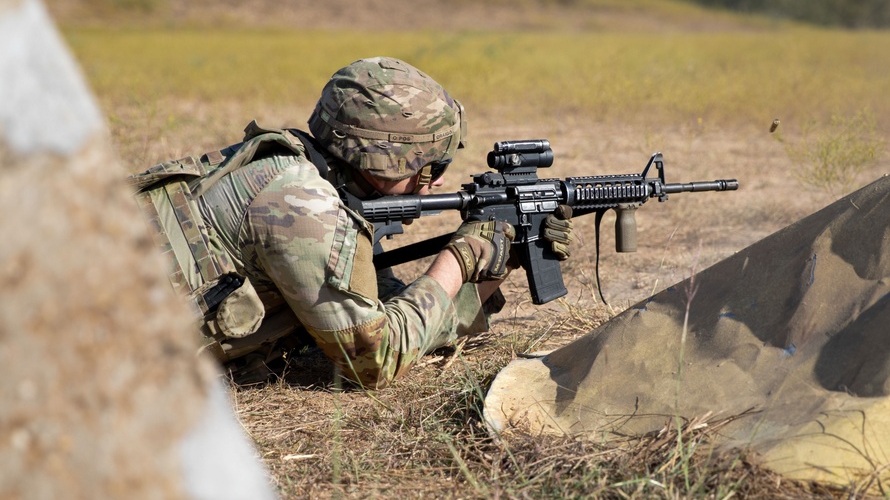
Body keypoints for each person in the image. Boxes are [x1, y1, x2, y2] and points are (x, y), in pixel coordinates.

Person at [130, 57, 573, 388]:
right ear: (394, 160)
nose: (436, 180)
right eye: (432, 167)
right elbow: (374, 360)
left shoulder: (304, 170)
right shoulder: (306, 209)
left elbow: (394, 312)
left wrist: (500, 259)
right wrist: (461, 256)